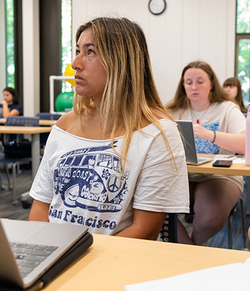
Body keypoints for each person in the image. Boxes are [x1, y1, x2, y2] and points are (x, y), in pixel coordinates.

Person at [28, 17, 189, 240]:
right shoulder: (65, 125)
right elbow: (41, 206)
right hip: (55, 257)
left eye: (90, 51)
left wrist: (72, 256)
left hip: (112, 264)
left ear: (121, 61)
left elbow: (146, 230)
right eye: (77, 50)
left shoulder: (157, 132)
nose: (75, 63)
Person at [167, 60, 246, 245]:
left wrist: (210, 135)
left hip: (220, 176)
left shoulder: (227, 108)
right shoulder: (173, 111)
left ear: (211, 84)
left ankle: (189, 250)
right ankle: (191, 252)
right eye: (188, 82)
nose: (194, 86)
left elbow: (245, 144)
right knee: (154, 206)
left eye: (200, 81)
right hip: (182, 176)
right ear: (183, 85)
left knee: (209, 217)